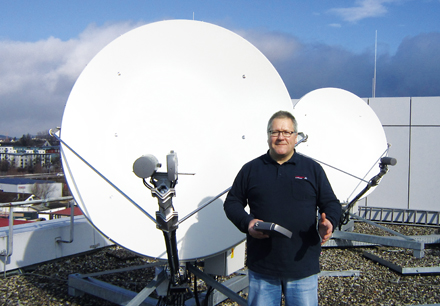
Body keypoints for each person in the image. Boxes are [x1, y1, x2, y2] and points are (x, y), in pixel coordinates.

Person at [224, 110, 341, 306]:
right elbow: (232, 202)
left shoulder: (312, 169)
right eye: (275, 132)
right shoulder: (251, 169)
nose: (281, 137)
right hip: (263, 267)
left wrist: (329, 222)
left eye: (287, 132)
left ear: (296, 137)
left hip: (302, 267)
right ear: (268, 135)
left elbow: (331, 203)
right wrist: (248, 223)